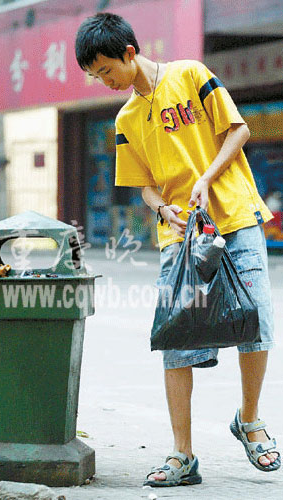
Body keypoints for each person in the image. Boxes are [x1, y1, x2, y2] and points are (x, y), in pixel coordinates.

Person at [75, 12, 280, 487]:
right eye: (96, 77)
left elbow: (239, 130)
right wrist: (162, 209)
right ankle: (182, 455)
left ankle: (249, 421)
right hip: (178, 235)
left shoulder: (191, 74)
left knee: (256, 321)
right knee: (177, 339)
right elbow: (142, 186)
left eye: (106, 70)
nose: (104, 82)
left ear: (130, 52)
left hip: (234, 217)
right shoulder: (127, 118)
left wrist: (207, 179)